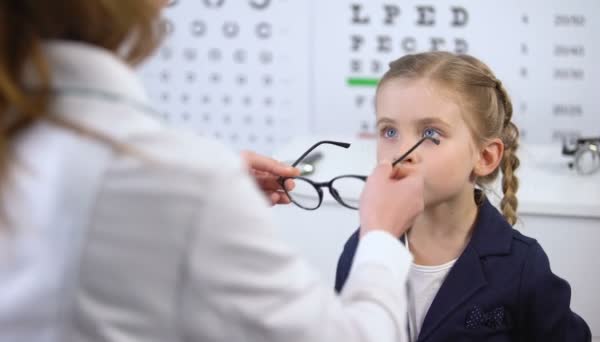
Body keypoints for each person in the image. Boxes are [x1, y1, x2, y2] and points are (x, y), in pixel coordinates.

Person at [0, 1, 425, 341]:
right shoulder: (175, 178)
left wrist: (198, 194)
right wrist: (383, 236)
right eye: (387, 130)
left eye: (431, 135)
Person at [334, 52, 591, 341]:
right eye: (389, 131)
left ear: (484, 156)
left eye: (431, 134)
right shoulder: (362, 250)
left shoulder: (522, 265)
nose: (400, 153)